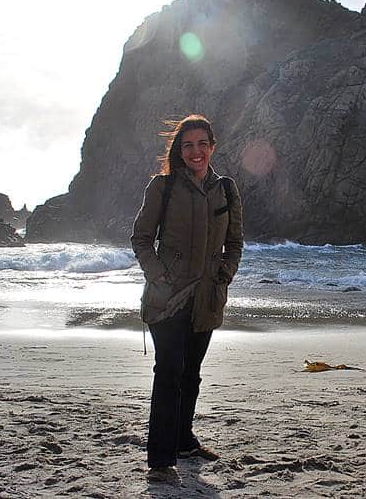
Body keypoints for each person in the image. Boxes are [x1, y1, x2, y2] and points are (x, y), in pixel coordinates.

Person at [131, 114, 243, 483]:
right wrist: (159, 277)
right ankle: (161, 461)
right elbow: (142, 239)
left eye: (201, 144)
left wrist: (224, 277)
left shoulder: (226, 189)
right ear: (180, 150)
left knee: (191, 374)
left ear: (212, 146)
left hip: (207, 298)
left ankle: (183, 441)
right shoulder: (162, 187)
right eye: (188, 145)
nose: (195, 152)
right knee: (169, 373)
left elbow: (235, 243)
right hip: (168, 298)